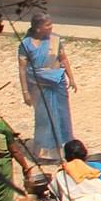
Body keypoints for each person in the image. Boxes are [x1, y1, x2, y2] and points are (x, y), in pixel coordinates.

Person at [15, 14, 76, 161]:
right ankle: (45, 151)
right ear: (37, 28)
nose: (51, 27)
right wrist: (25, 92)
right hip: (38, 86)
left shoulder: (55, 40)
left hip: (57, 83)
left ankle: (63, 148)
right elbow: (22, 69)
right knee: (44, 117)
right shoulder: (26, 45)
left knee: (62, 115)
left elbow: (63, 59)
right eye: (47, 25)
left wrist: (71, 78)